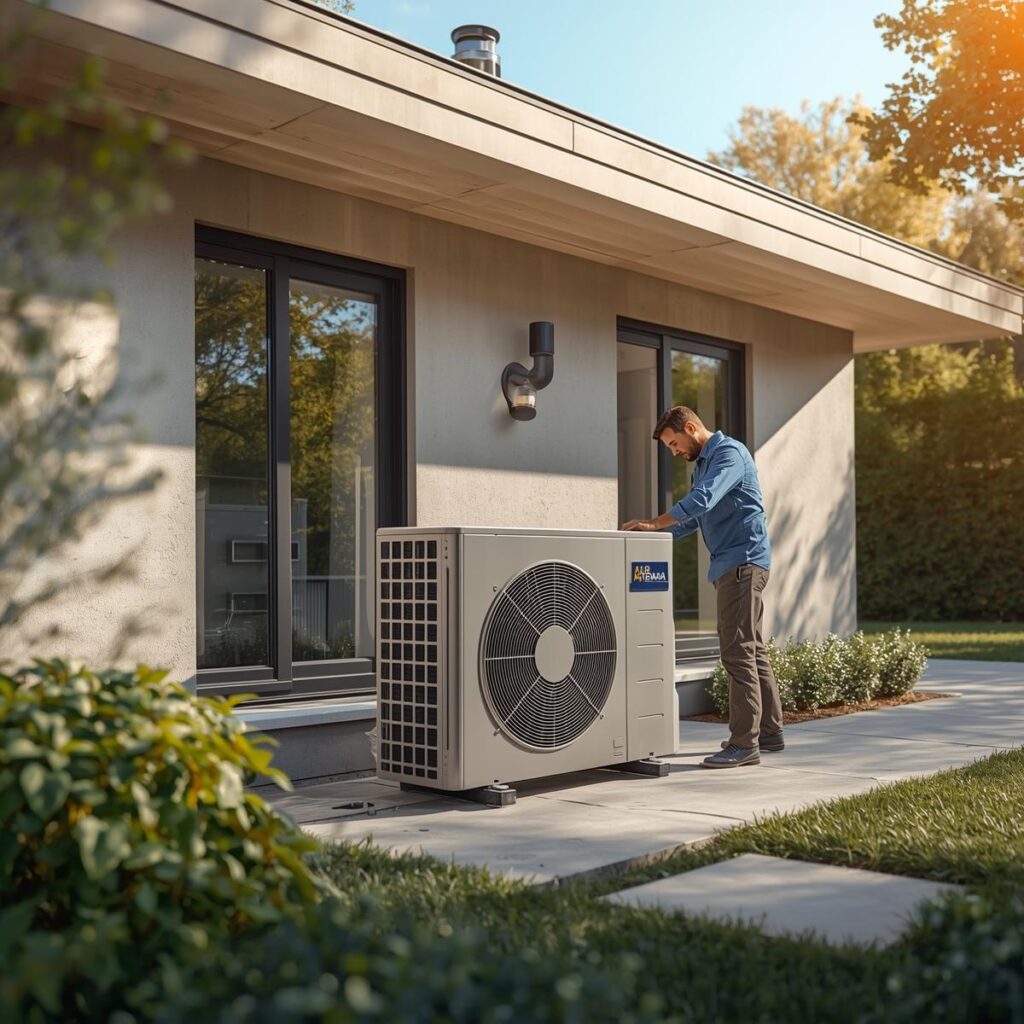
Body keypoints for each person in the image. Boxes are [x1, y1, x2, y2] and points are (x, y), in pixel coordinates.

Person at [622, 406, 783, 768]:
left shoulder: (729, 454)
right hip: (736, 564)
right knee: (752, 649)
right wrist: (650, 537)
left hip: (741, 562)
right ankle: (770, 732)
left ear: (691, 428)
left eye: (674, 443)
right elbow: (693, 519)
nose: (674, 451)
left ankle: (744, 744)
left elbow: (702, 500)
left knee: (737, 652)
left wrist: (654, 522)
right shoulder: (704, 465)